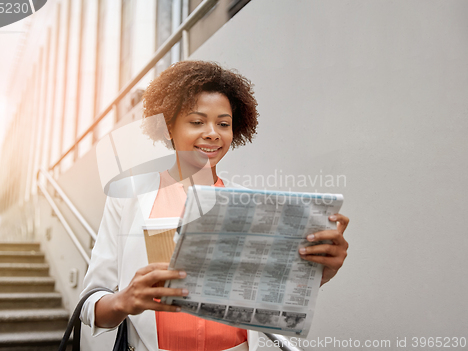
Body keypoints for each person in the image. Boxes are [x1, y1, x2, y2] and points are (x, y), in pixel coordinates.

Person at [80, 60, 349, 351]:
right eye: (197, 122)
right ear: (169, 126)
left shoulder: (249, 203)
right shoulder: (128, 198)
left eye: (223, 123)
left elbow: (266, 295)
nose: (213, 133)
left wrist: (318, 273)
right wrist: (124, 300)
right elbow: (90, 307)